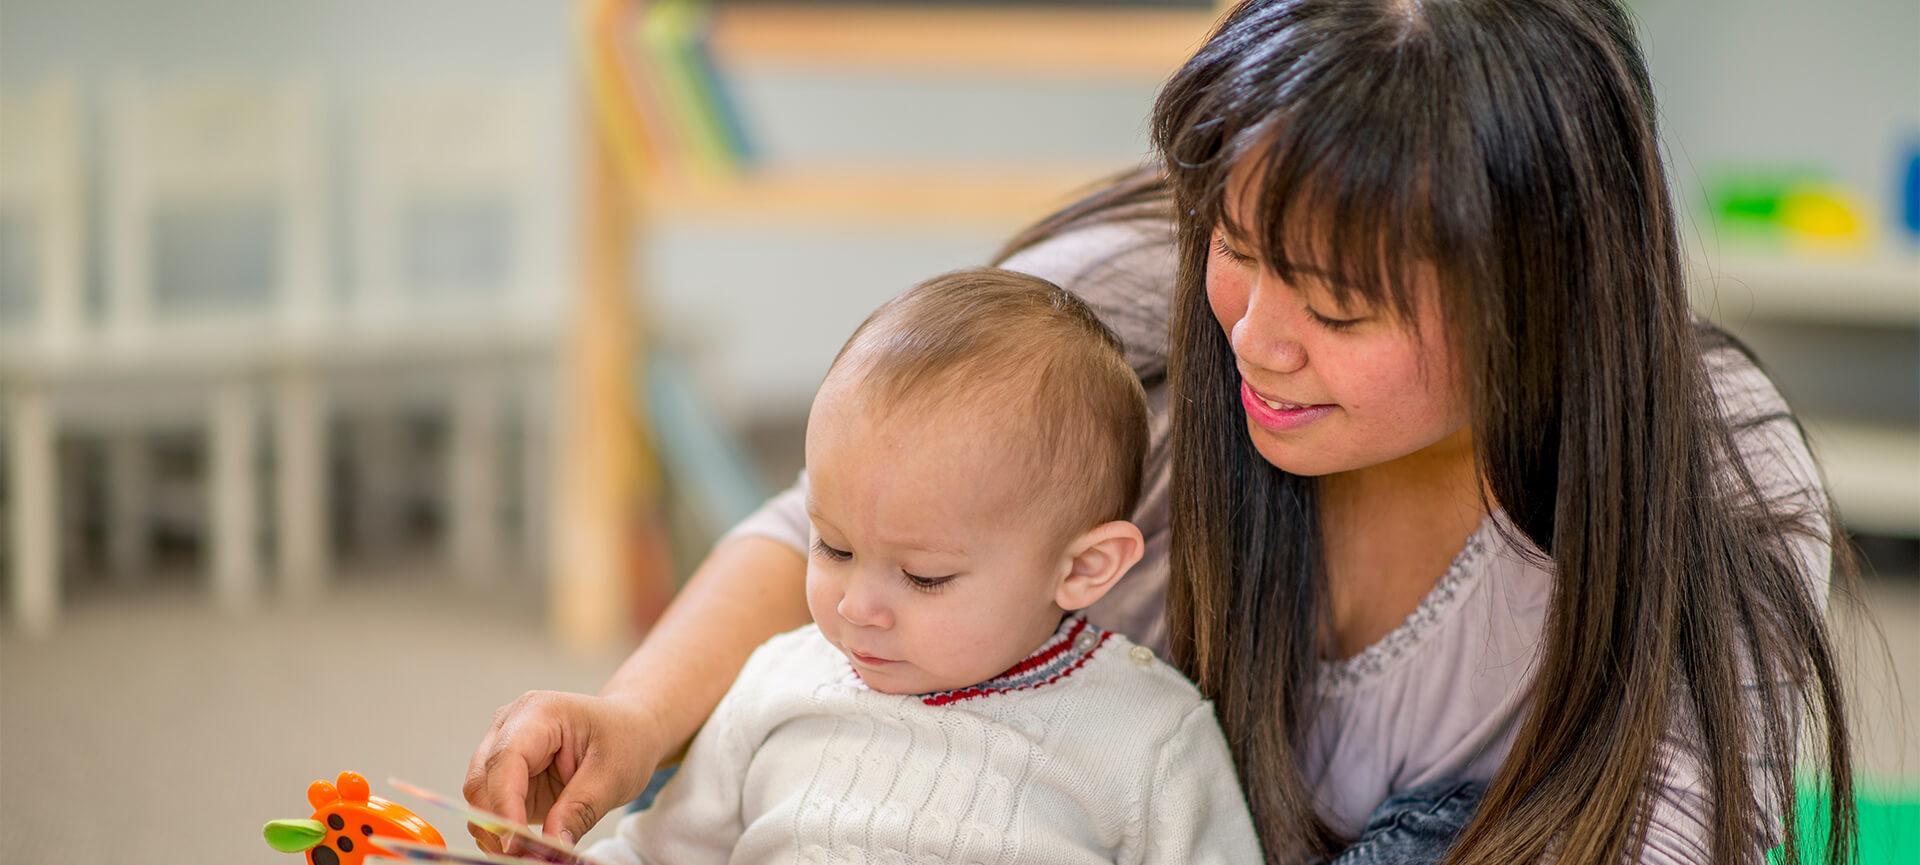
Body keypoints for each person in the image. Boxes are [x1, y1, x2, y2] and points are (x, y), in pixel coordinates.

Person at [467, 2, 1857, 863]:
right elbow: (856, 521)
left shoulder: (1715, 478)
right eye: (1242, 248)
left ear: (1544, 300)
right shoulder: (1132, 288)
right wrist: (633, 718)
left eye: (1345, 308)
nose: (1254, 338)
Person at [577, 268, 1262, 864]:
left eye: (924, 575)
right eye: (834, 547)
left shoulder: (1147, 739)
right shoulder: (776, 681)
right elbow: (657, 851)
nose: (856, 608)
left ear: (1083, 566)